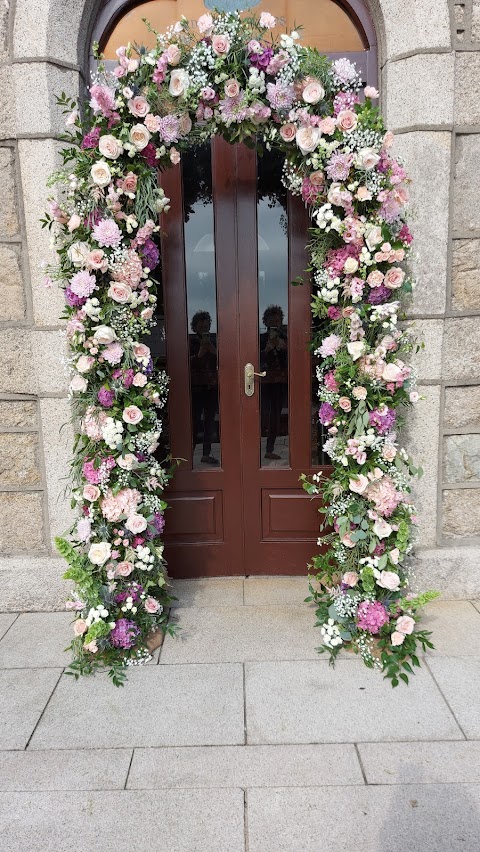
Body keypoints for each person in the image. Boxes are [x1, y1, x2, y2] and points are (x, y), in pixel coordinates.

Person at [189, 310, 219, 465]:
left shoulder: (215, 340)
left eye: (207, 324)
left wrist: (214, 351)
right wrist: (198, 355)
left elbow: (226, 360)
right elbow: (184, 364)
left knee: (210, 422)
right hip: (195, 388)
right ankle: (190, 455)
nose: (204, 326)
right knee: (194, 422)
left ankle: (206, 454)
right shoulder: (190, 341)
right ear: (195, 327)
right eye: (201, 324)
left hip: (212, 387)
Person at [259, 305, 288, 461]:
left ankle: (270, 449)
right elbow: (252, 361)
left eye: (277, 320)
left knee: (276, 416)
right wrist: (266, 350)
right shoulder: (261, 339)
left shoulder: (286, 338)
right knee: (263, 415)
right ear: (265, 322)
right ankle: (255, 449)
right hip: (263, 383)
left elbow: (293, 360)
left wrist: (284, 348)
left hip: (281, 383)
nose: (274, 322)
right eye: (271, 320)